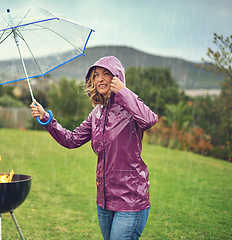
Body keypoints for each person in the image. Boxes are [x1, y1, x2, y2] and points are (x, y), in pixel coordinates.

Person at [30, 56, 158, 240]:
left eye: (107, 73)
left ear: (117, 77)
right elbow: (72, 139)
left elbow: (150, 119)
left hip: (130, 202)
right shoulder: (96, 113)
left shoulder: (130, 110)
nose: (100, 79)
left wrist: (124, 92)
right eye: (96, 75)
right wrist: (46, 119)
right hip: (104, 202)